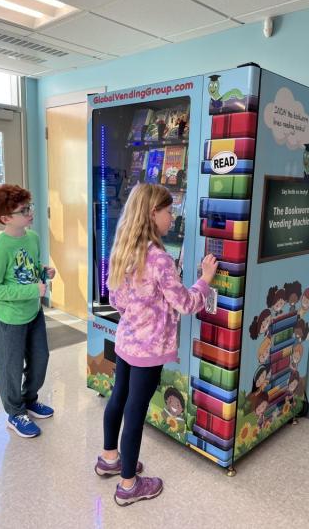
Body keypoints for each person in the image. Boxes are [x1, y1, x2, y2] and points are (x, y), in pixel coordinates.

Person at [93, 183, 217, 506]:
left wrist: (138, 316)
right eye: (168, 210)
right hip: (150, 351)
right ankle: (129, 485)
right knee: (136, 410)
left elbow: (116, 299)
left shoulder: (123, 250)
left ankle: (109, 458)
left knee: (118, 397)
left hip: (126, 343)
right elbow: (186, 303)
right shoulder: (159, 259)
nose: (172, 216)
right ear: (152, 214)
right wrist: (204, 279)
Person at [0, 184, 56, 439]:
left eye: (30, 206)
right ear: (5, 218)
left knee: (40, 358)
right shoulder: (0, 248)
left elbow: (29, 269)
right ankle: (15, 413)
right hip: (8, 319)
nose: (30, 212)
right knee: (10, 367)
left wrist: (44, 272)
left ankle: (29, 399)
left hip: (33, 313)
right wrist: (31, 291)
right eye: (23, 210)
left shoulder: (32, 238)